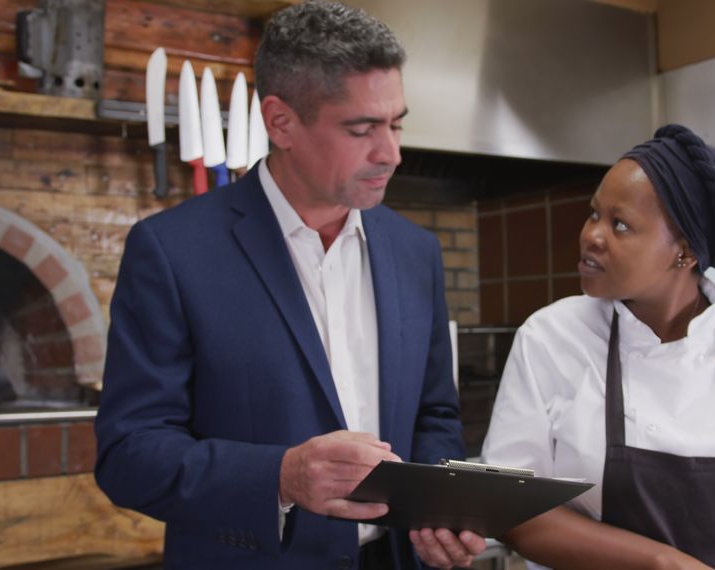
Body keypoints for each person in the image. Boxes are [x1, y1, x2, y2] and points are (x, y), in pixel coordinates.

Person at [94, 2, 486, 568]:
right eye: (362, 129)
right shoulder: (171, 251)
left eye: (396, 123)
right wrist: (281, 476)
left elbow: (435, 417)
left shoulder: (415, 252)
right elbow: (129, 456)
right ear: (280, 122)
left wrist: (439, 508)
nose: (392, 154)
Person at [481, 124, 715, 569]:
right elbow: (512, 507)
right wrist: (660, 562)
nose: (592, 235)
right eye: (594, 214)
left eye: (620, 225)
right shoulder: (551, 338)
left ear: (683, 252)